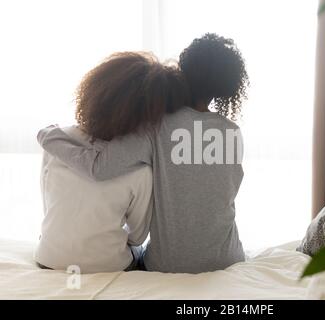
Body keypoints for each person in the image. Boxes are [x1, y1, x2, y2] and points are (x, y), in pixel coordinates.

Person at [37, 33, 250, 274]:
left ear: (184, 69)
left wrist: (48, 137)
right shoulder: (233, 133)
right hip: (229, 259)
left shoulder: (157, 127)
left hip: (168, 265)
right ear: (227, 87)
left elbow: (99, 168)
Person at [35, 52, 188, 273]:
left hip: (48, 257)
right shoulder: (141, 169)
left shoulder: (56, 145)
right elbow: (137, 236)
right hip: (108, 265)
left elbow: (48, 206)